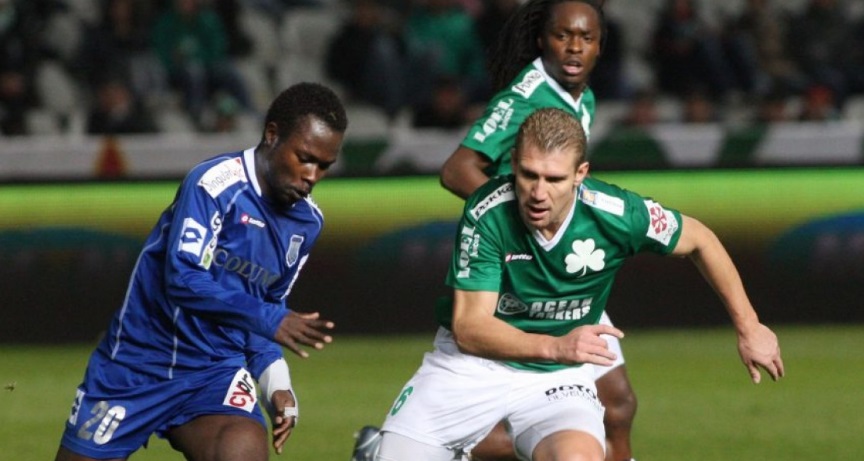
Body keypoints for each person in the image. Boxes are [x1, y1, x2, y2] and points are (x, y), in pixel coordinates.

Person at [376, 107, 784, 461]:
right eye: (528, 175)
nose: (538, 193)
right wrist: (556, 345)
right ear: (513, 164)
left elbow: (700, 239)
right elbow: (470, 329)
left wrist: (749, 326)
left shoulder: (617, 213)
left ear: (580, 174)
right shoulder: (488, 212)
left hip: (556, 376)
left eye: (554, 179)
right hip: (470, 366)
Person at [54, 82, 347, 461]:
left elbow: (264, 312)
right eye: (305, 158)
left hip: (214, 371)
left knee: (241, 449)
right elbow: (183, 279)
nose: (312, 176)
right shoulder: (214, 184)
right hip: (136, 364)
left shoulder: (306, 223)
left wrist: (277, 385)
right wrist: (270, 317)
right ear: (272, 134)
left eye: (324, 166)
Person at [440, 1, 642, 460]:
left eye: (585, 38)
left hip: (562, 264)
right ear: (541, 40)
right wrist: (519, 219)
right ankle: (411, 446)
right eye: (562, 36)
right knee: (604, 407)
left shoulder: (582, 98)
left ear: (600, 46)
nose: (573, 47)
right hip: (523, 270)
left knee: (617, 405)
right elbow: (457, 169)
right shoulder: (524, 98)